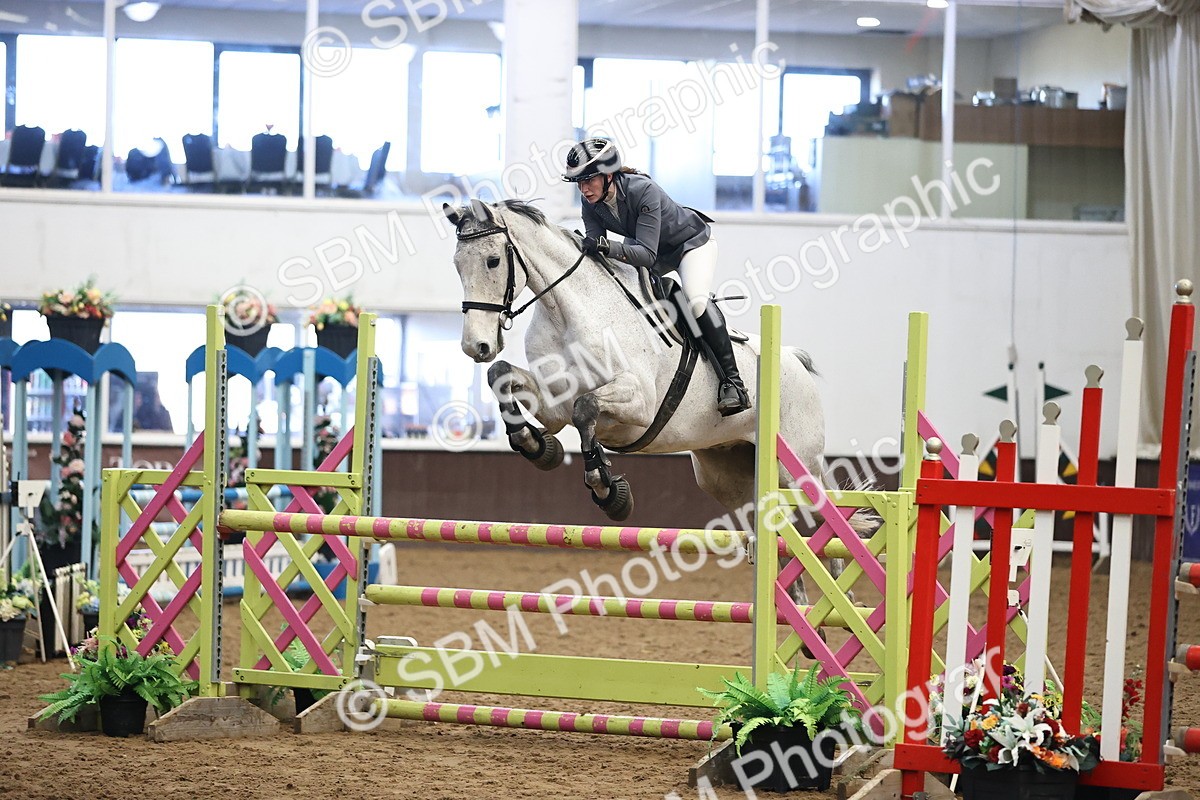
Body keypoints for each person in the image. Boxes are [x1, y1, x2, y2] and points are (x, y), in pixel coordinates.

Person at [562, 138, 750, 416]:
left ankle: (734, 383)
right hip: (650, 254)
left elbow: (646, 255)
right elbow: (598, 249)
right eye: (578, 182)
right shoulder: (591, 202)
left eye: (588, 180)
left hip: (689, 246)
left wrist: (606, 246)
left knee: (695, 301)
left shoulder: (643, 190)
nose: (584, 188)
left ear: (609, 175)